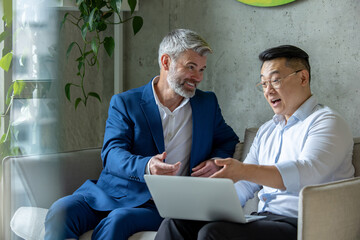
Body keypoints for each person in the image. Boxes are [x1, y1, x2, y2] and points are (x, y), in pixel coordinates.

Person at [44, 29, 239, 240]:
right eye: (191, 67)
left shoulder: (206, 104)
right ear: (166, 62)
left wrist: (214, 160)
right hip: (111, 192)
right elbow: (112, 153)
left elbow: (228, 140)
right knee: (61, 211)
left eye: (202, 69)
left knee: (119, 220)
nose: (198, 77)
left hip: (160, 203)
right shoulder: (126, 103)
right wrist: (146, 166)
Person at [155, 45, 355, 240]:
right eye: (264, 84)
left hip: (305, 225)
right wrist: (204, 205)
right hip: (264, 220)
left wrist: (243, 170)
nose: (268, 91)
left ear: (303, 77)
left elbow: (306, 173)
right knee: (177, 222)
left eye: (275, 81)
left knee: (214, 233)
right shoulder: (267, 130)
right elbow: (244, 185)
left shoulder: (327, 122)